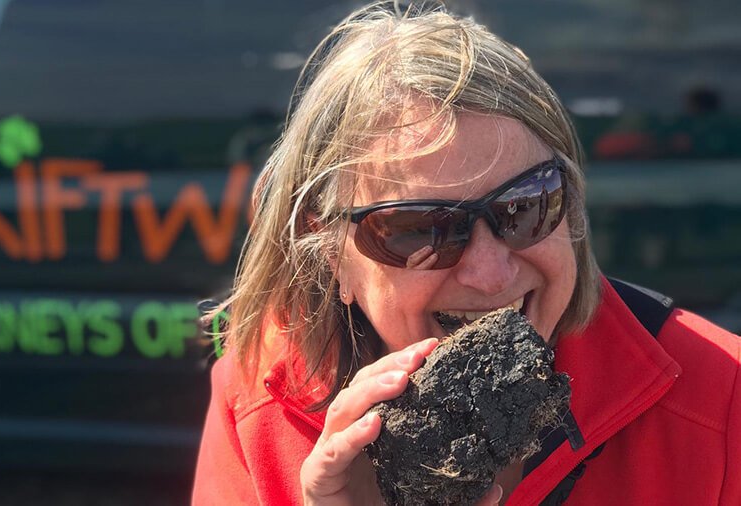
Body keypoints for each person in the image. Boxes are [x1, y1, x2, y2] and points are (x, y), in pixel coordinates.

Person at [192, 2, 741, 504]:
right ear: (331, 252)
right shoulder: (259, 405)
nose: (490, 273)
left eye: (527, 205)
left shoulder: (721, 398)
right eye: (417, 229)